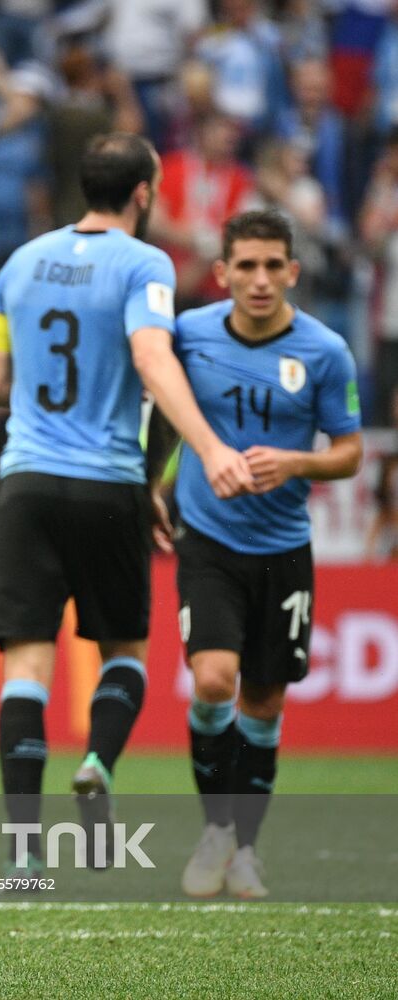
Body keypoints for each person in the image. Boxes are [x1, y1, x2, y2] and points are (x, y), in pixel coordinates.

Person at [0, 133, 255, 875]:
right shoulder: (145, 263)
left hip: (26, 482)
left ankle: (22, 850)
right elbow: (150, 357)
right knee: (124, 652)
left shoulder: (18, 264)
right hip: (108, 482)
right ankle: (98, 762)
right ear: (143, 192)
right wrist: (204, 448)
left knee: (26, 662)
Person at [173, 210, 362, 899]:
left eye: (270, 266)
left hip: (283, 550)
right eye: (244, 266)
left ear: (292, 270)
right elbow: (158, 405)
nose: (258, 279)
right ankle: (215, 827)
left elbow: (347, 452)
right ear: (222, 273)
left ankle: (245, 848)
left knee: (262, 701)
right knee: (215, 680)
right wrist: (156, 489)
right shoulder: (188, 334)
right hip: (208, 540)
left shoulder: (325, 352)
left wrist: (294, 462)